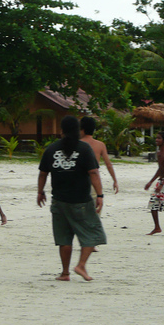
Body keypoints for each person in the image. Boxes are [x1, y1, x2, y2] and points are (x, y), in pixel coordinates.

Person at [37, 115, 107, 281]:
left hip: (59, 200)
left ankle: (65, 273)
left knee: (64, 238)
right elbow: (93, 173)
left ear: (61, 130)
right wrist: (99, 194)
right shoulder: (84, 149)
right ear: (77, 130)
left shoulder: (52, 149)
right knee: (93, 233)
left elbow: (43, 173)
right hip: (81, 200)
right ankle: (81, 265)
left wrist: (40, 192)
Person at [80, 116, 119, 197]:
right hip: (94, 180)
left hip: (78, 181)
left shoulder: (76, 144)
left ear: (81, 129)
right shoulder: (100, 145)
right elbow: (108, 164)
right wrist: (115, 180)